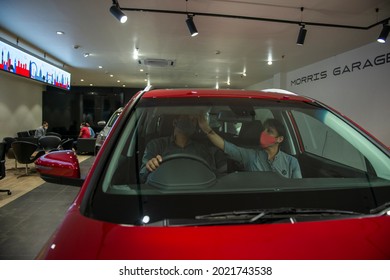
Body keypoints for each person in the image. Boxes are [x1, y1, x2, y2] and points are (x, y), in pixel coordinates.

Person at [198, 116, 302, 178]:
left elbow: (297, 192)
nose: (263, 133)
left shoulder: (291, 162)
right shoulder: (251, 155)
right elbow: (227, 147)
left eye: (269, 131)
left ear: (279, 139)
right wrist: (207, 130)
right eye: (264, 130)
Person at [139, 115, 215, 183]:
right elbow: (142, 175)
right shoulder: (156, 145)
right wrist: (149, 166)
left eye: (194, 119)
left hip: (196, 191)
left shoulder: (201, 149)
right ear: (175, 122)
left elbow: (213, 175)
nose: (192, 119)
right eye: (187, 116)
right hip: (162, 193)